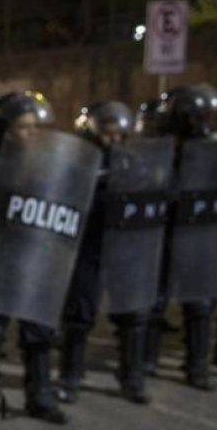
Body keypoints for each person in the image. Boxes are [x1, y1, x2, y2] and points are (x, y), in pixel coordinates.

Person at [0, 92, 75, 429]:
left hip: (37, 264)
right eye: (24, 127)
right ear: (5, 130)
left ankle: (40, 396)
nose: (32, 134)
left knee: (39, 331)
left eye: (36, 127)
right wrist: (3, 225)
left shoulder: (49, 170)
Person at [58, 101, 168, 404]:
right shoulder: (76, 163)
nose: (115, 142)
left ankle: (132, 378)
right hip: (87, 247)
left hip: (125, 246)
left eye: (120, 135)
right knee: (79, 314)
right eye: (108, 135)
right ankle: (70, 376)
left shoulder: (134, 162)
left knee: (132, 312)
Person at [147, 86, 217, 391]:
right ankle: (144, 359)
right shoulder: (161, 146)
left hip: (201, 231)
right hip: (167, 228)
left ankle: (197, 364)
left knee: (199, 301)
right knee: (155, 299)